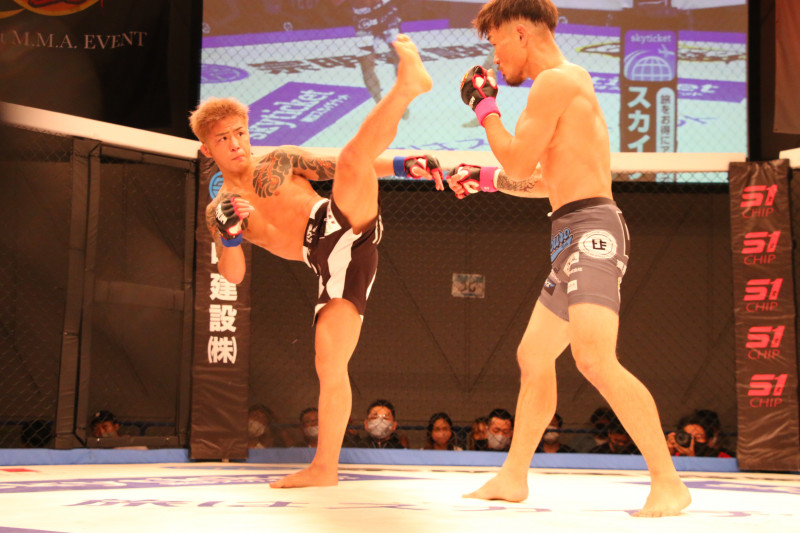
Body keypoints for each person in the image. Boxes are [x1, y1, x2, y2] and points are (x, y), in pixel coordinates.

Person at [449, 0, 690, 516]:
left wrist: (485, 109)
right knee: (534, 356)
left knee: (594, 359)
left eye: (495, 43)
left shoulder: (555, 82)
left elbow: (518, 160)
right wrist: (486, 179)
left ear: (519, 33)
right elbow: (546, 181)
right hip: (570, 231)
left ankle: (669, 482)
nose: (494, 58)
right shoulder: (568, 83)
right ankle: (513, 477)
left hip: (592, 232)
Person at [190, 34, 438, 487]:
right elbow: (233, 275)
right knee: (330, 364)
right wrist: (229, 238)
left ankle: (407, 87)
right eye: (222, 138)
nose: (235, 143)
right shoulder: (219, 209)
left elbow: (346, 168)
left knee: (352, 157)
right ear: (208, 149)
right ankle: (325, 468)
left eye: (240, 132)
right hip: (328, 264)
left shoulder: (281, 161)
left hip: (336, 222)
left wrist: (405, 166)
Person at [666, 412, 734, 458]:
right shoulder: (674, 456)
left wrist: (690, 459)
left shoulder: (720, 457)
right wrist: (666, 453)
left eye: (698, 437)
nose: (692, 441)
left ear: (709, 440)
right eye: (688, 437)